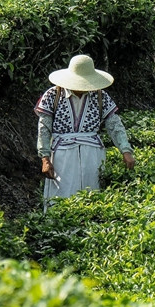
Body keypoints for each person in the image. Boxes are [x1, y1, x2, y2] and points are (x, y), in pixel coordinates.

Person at [34, 54, 135, 210]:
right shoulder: (53, 95)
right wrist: (45, 158)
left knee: (93, 197)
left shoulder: (100, 96)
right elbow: (44, 128)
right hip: (62, 156)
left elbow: (114, 124)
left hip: (92, 155)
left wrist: (125, 150)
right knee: (61, 199)